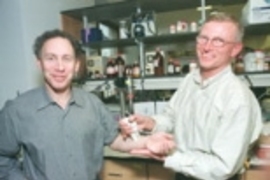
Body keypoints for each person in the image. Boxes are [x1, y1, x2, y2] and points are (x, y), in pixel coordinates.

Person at [0, 29, 175, 180]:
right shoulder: (17, 110)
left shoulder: (92, 104)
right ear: (39, 63)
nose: (59, 67)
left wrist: (147, 141)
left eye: (67, 58)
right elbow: (2, 158)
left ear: (76, 65)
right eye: (51, 58)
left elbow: (114, 139)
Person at [119, 12, 263, 180]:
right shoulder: (190, 80)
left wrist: (170, 157)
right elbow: (172, 117)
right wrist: (152, 123)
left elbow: (223, 167)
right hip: (183, 174)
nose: (207, 47)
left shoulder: (237, 98)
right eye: (203, 38)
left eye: (218, 41)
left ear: (235, 49)